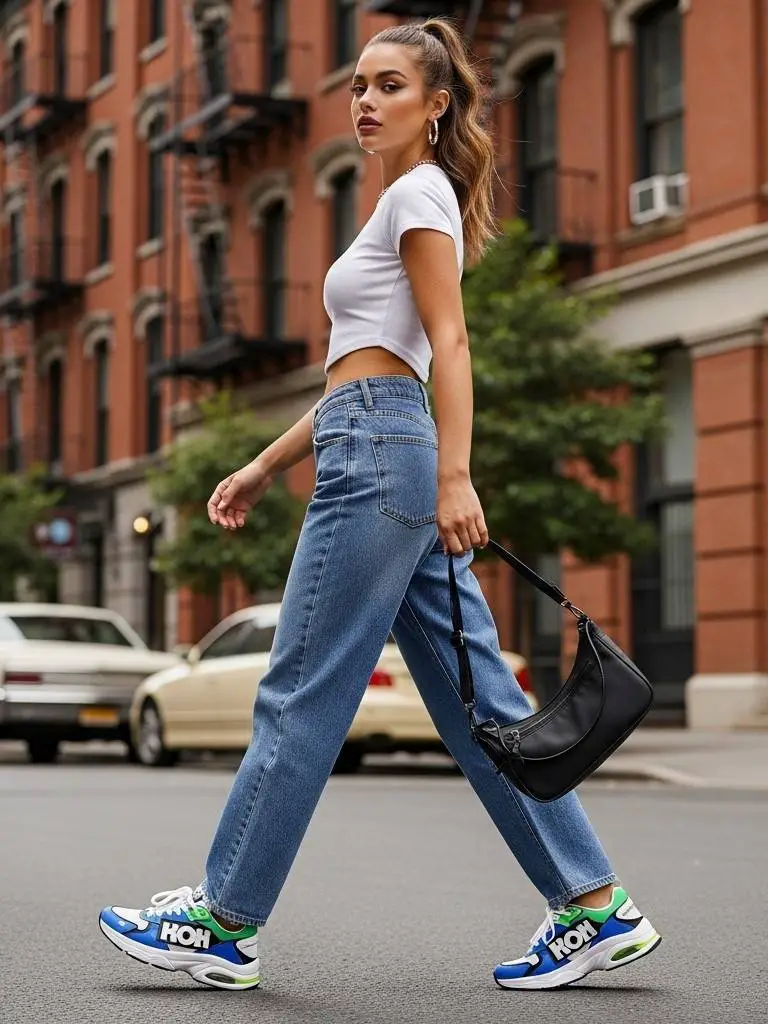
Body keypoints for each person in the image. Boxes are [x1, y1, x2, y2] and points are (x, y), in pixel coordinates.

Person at [98, 18, 661, 992]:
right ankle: (593, 904)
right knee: (483, 705)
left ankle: (224, 919)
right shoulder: (405, 200)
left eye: (390, 85)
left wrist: (456, 474)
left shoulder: (417, 192)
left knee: (300, 691)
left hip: (383, 459)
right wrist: (266, 464)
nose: (365, 100)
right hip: (376, 439)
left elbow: (450, 342)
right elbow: (365, 370)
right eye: (360, 84)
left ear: (436, 105)